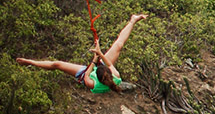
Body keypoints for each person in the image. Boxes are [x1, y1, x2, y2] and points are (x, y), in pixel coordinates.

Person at [16, 14, 148, 94]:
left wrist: (94, 60)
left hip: (86, 72)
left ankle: (30, 62)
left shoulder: (92, 84)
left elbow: (87, 73)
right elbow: (108, 63)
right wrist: (99, 53)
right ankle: (133, 20)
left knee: (58, 64)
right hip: (99, 68)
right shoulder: (116, 76)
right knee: (118, 45)